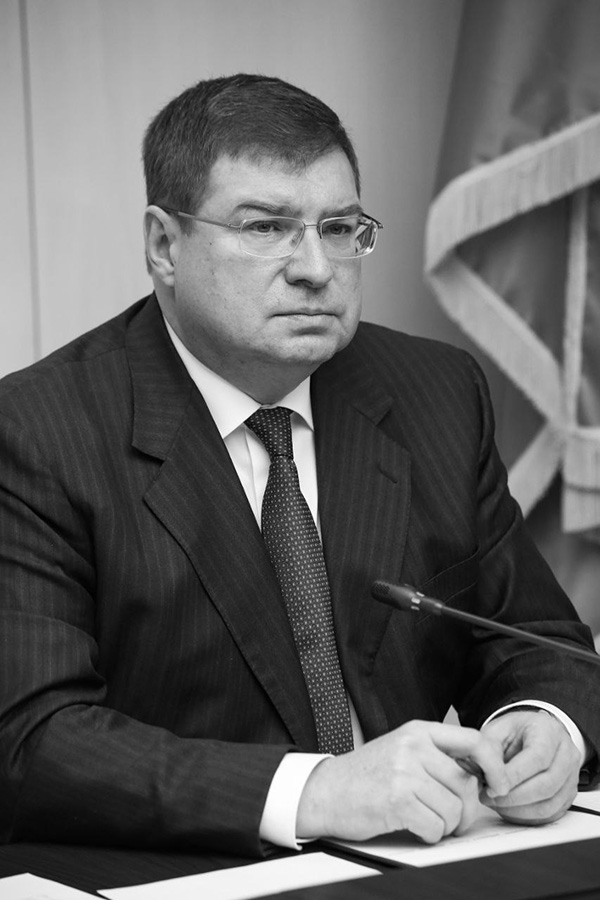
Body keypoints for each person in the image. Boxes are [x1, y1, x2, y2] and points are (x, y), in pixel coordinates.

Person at [0, 73, 599, 857]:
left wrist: (545, 724)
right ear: (164, 246)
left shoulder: (435, 392)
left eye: (341, 228)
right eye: (266, 227)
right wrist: (313, 793)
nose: (317, 267)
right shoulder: (38, 432)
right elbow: (32, 740)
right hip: (188, 875)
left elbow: (537, 639)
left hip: (423, 862)